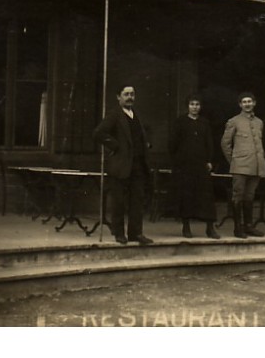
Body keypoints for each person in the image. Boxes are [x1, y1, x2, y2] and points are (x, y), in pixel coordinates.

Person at [93, 84, 154, 245]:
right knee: (119, 201)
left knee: (137, 201)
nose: (130, 97)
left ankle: (136, 233)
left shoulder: (136, 115)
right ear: (118, 97)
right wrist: (115, 146)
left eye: (132, 94)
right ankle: (119, 233)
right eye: (126, 94)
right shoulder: (114, 115)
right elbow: (98, 133)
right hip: (120, 165)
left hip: (138, 165)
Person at [169, 93, 220, 240]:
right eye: (192, 104)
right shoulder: (180, 122)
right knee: (186, 196)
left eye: (197, 105)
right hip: (185, 166)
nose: (194, 107)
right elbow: (172, 144)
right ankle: (186, 227)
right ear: (188, 106)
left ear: (200, 107)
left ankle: (210, 228)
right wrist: (177, 161)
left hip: (201, 165)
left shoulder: (204, 123)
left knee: (206, 196)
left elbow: (209, 142)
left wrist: (209, 160)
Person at [221, 91, 265, 239]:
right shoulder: (234, 121)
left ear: (254, 103)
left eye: (250, 101)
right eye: (244, 102)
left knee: (250, 196)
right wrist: (234, 161)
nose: (247, 104)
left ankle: (248, 226)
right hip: (240, 166)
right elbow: (225, 144)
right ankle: (237, 228)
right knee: (238, 196)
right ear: (240, 104)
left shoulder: (259, 122)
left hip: (256, 165)